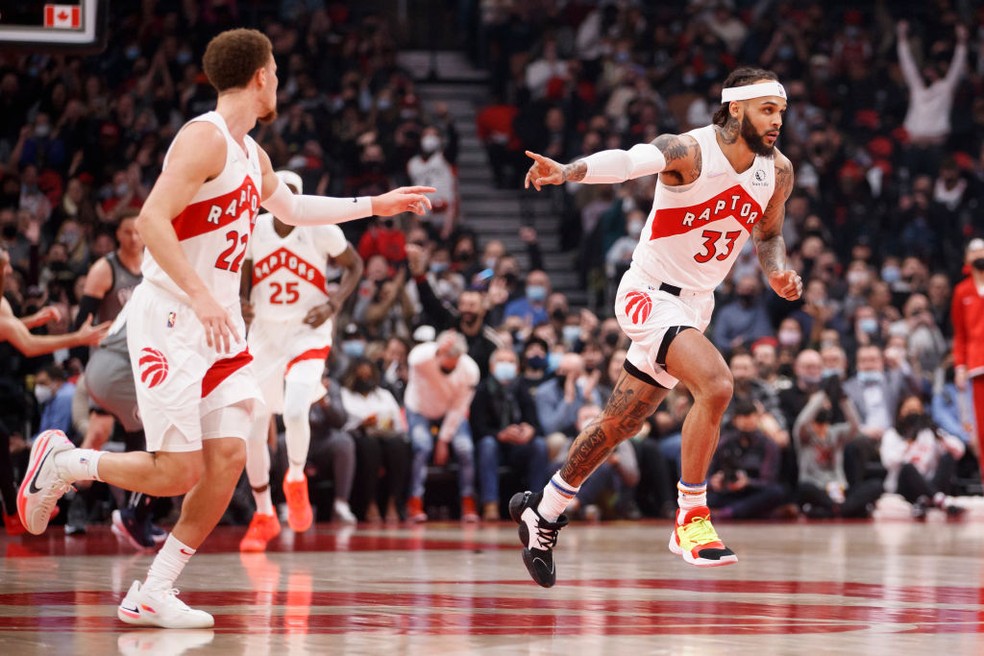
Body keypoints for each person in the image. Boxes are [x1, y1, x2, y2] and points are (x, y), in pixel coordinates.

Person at [16, 28, 434, 629]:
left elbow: (291, 209)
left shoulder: (251, 153)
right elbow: (151, 220)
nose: (281, 83)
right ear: (261, 75)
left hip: (221, 328)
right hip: (171, 317)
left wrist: (375, 203)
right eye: (277, 73)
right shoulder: (202, 138)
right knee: (176, 472)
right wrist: (199, 296)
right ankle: (66, 462)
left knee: (231, 458)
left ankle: (153, 590)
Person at [514, 66, 802, 587]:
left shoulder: (777, 171)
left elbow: (768, 233)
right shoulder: (689, 150)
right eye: (768, 109)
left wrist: (776, 269)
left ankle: (544, 508)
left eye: (781, 110)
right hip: (649, 293)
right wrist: (568, 170)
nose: (778, 120)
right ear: (735, 108)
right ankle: (691, 518)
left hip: (696, 306)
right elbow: (627, 162)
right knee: (716, 385)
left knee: (620, 423)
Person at [237, 169, 364, 552]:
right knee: (254, 426)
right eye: (280, 193)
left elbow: (354, 265)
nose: (287, 201)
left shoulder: (320, 227)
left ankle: (295, 477)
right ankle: (263, 514)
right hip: (264, 336)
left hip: (307, 332)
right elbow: (243, 273)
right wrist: (241, 301)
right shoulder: (253, 228)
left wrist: (334, 304)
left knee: (294, 411)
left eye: (293, 194)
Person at [404, 330, 480, 523]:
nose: (451, 364)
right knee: (422, 446)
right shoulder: (424, 356)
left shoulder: (470, 370)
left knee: (465, 448)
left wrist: (444, 439)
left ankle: (468, 499)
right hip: (419, 409)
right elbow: (413, 359)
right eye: (447, 358)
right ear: (439, 354)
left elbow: (459, 407)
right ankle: (414, 500)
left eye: (455, 359)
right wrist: (438, 349)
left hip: (449, 411)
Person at [951, 237, 984, 480]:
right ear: (967, 259)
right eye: (975, 252)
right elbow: (960, 333)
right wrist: (960, 364)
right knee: (981, 428)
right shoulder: (962, 291)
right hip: (977, 365)